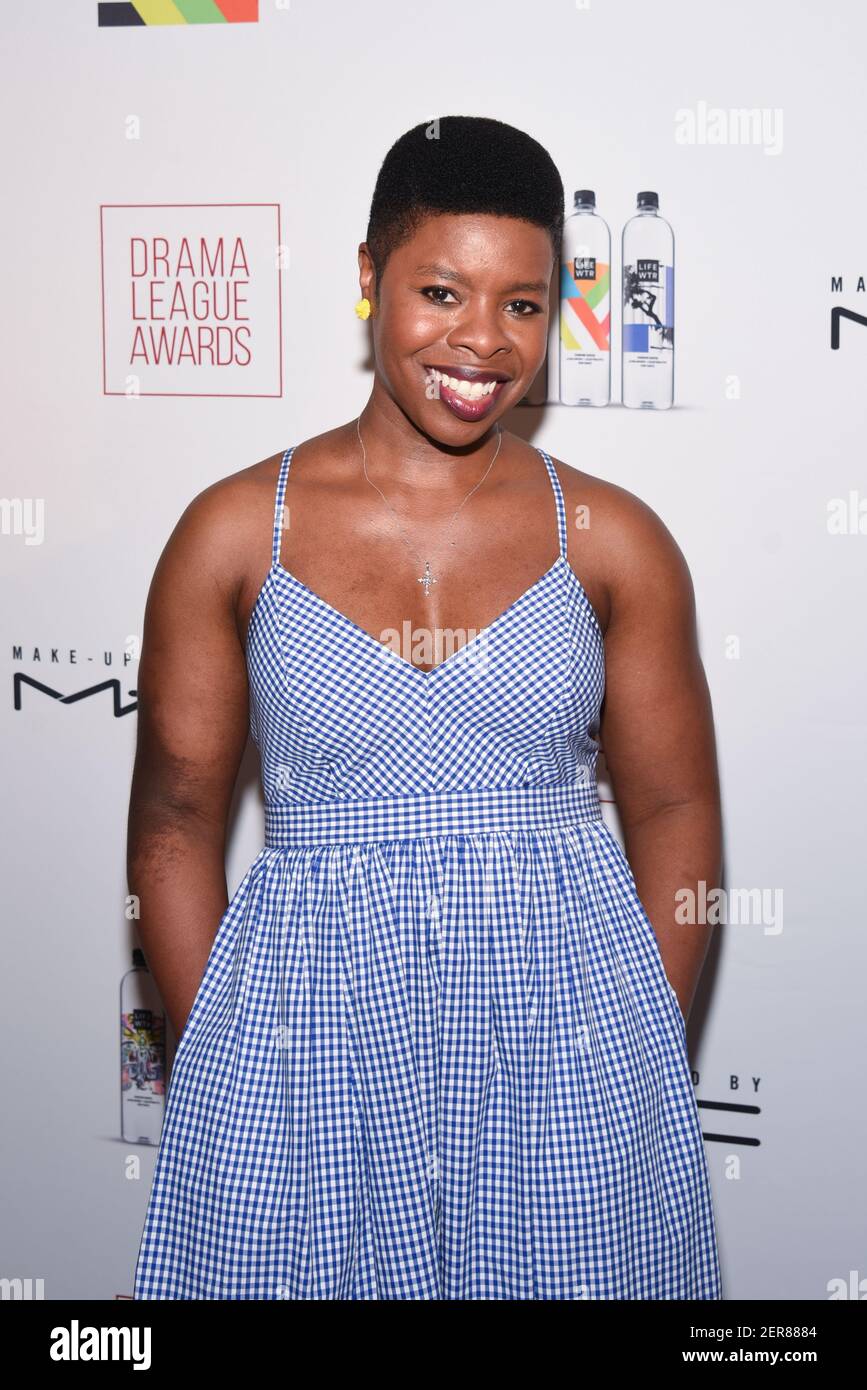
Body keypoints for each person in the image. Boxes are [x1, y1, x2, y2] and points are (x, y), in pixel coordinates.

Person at [130, 115, 722, 1300]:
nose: (482, 341)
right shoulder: (235, 533)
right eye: (442, 290)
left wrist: (626, 1051)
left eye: (523, 304)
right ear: (368, 278)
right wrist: (230, 1072)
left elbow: (673, 805)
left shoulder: (614, 540)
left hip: (562, 1058)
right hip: (306, 1053)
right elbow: (177, 826)